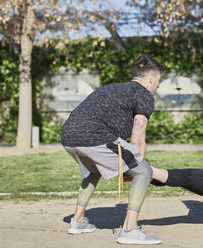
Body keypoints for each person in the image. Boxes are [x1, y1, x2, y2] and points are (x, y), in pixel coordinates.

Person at [61, 55, 164, 245]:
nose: (158, 86)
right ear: (151, 79)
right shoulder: (144, 94)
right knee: (144, 171)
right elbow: (138, 132)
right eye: (158, 81)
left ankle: (77, 221)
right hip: (94, 135)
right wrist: (136, 167)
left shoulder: (112, 87)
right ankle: (130, 230)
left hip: (68, 134)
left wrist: (128, 164)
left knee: (94, 171)